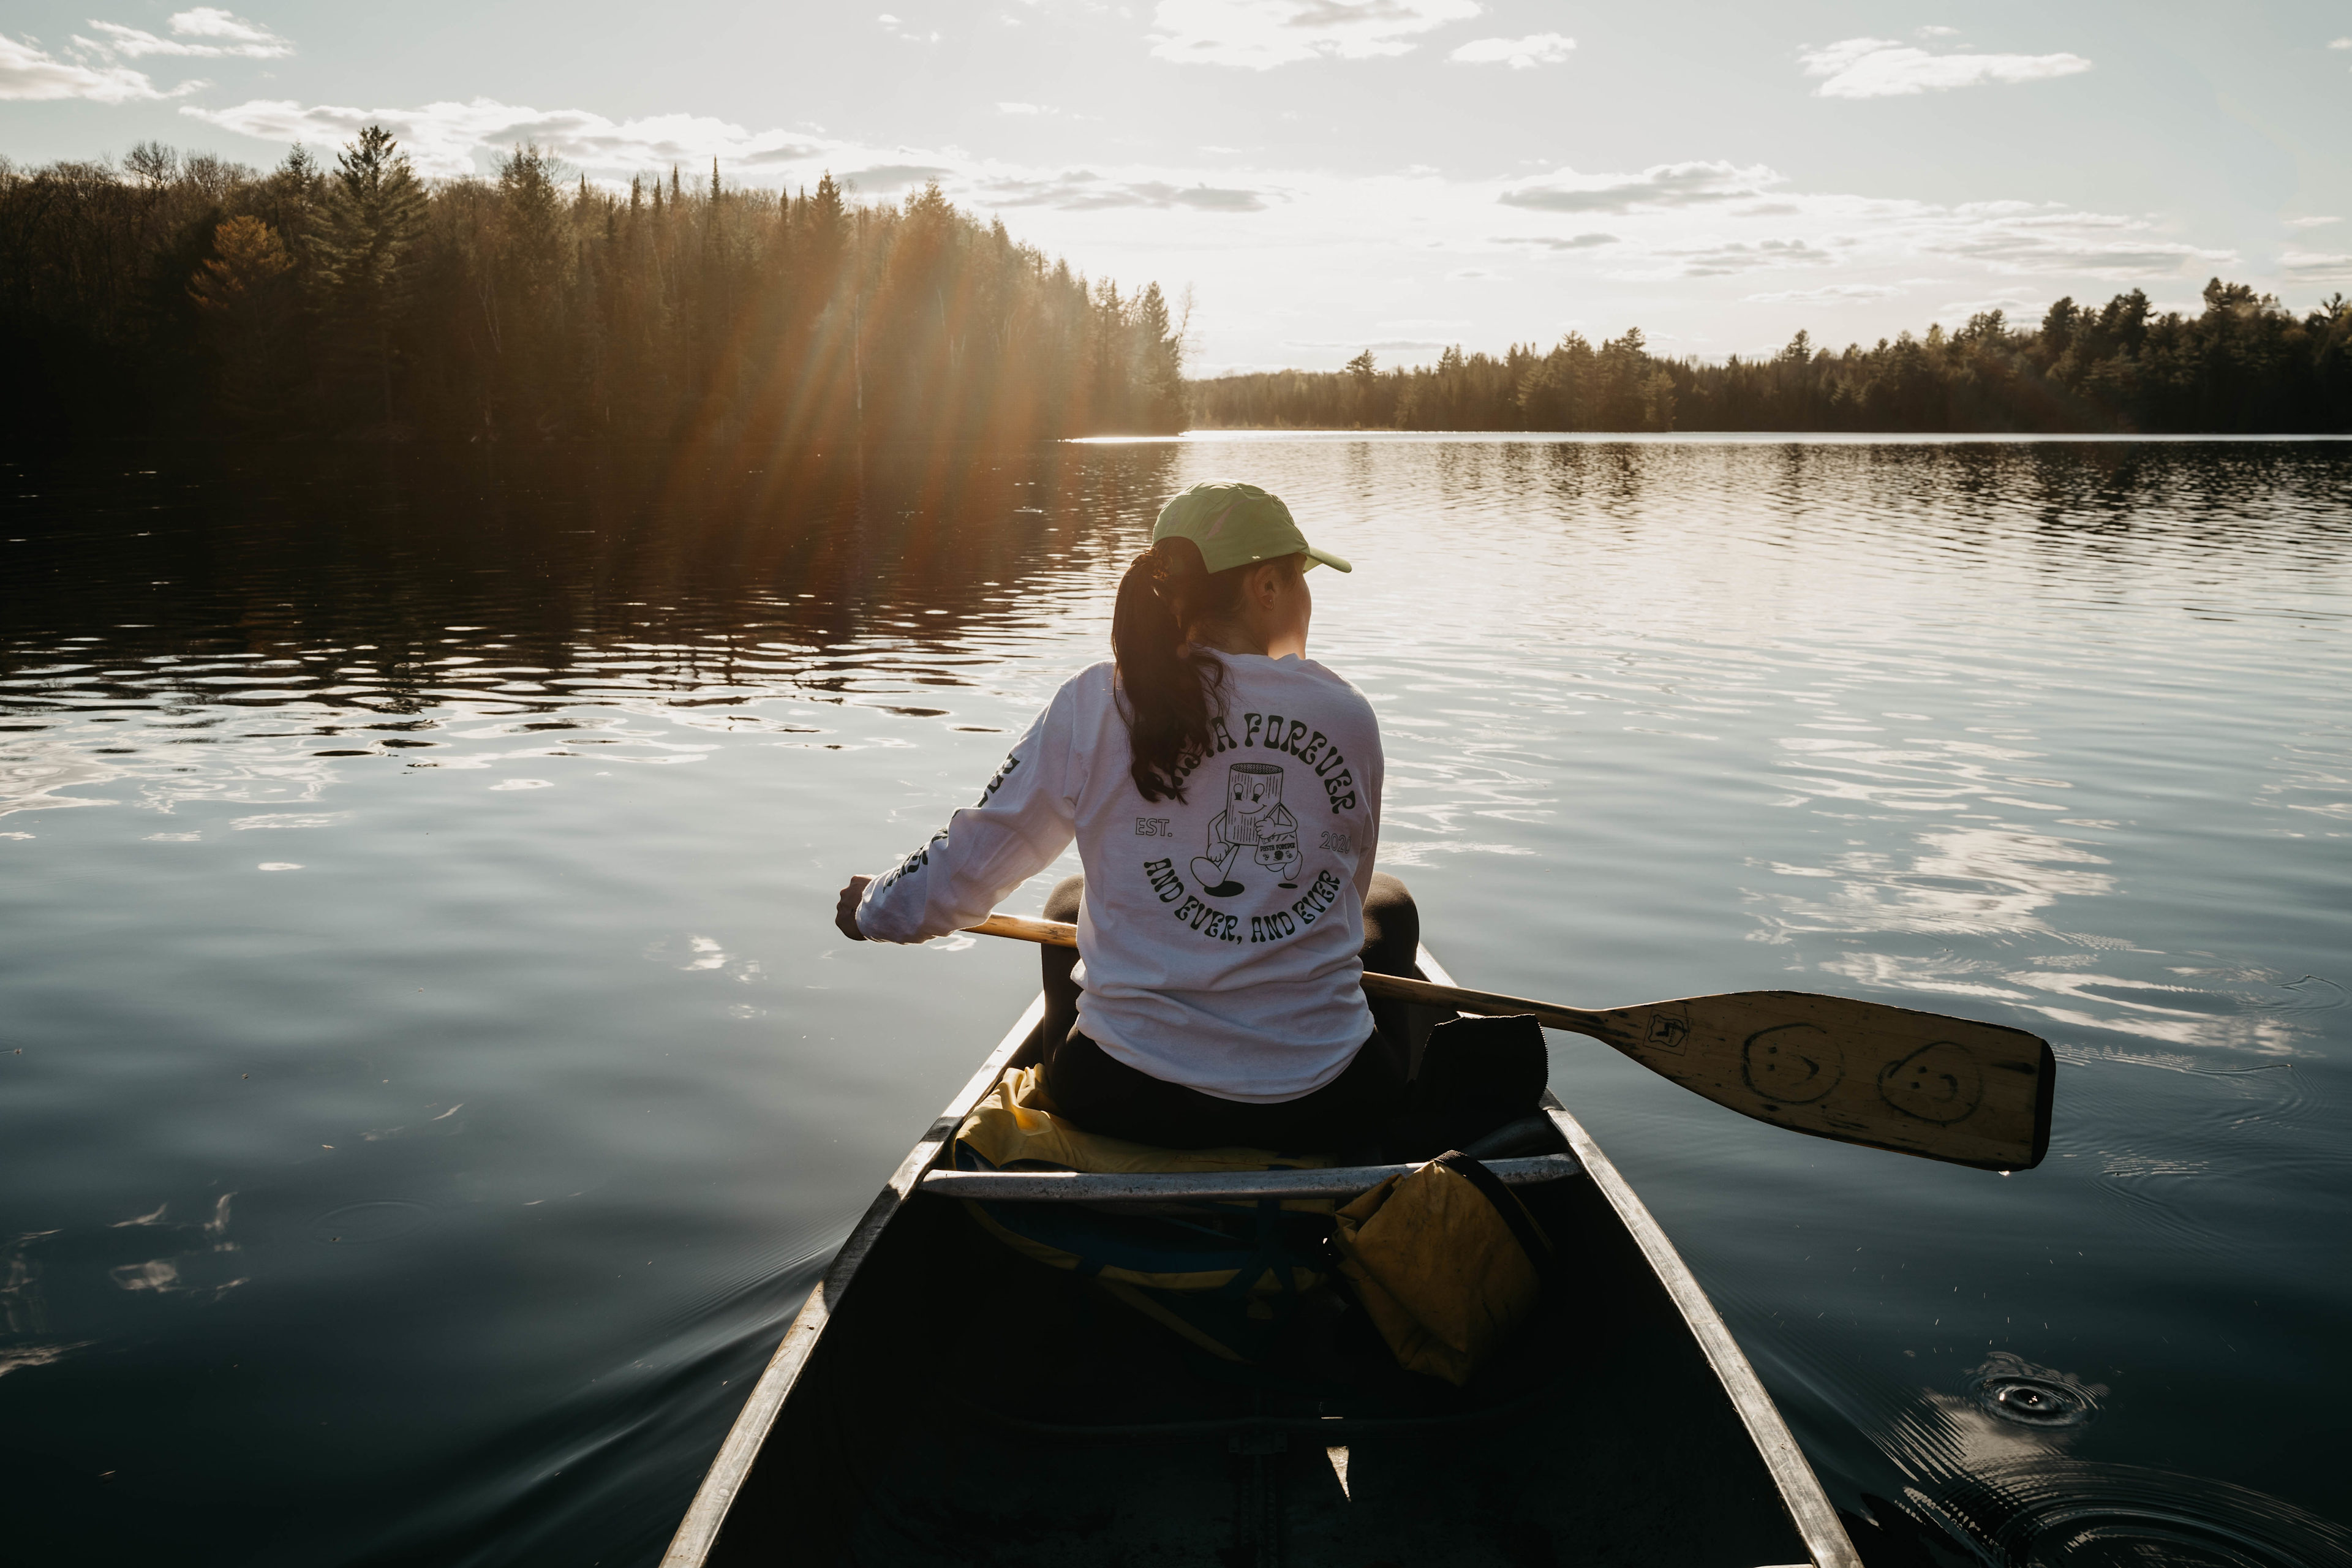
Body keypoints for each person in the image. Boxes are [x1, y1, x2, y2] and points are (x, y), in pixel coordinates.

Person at [833, 480, 1419, 1152]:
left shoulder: (1094, 701)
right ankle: (1388, 1127)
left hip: (1125, 1096)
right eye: (1301, 580)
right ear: (1265, 587)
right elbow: (1345, 898)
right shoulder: (1347, 714)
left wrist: (876, 905)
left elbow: (969, 863)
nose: (1310, 600)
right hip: (1326, 1100)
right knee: (1390, 905)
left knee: (1064, 904)